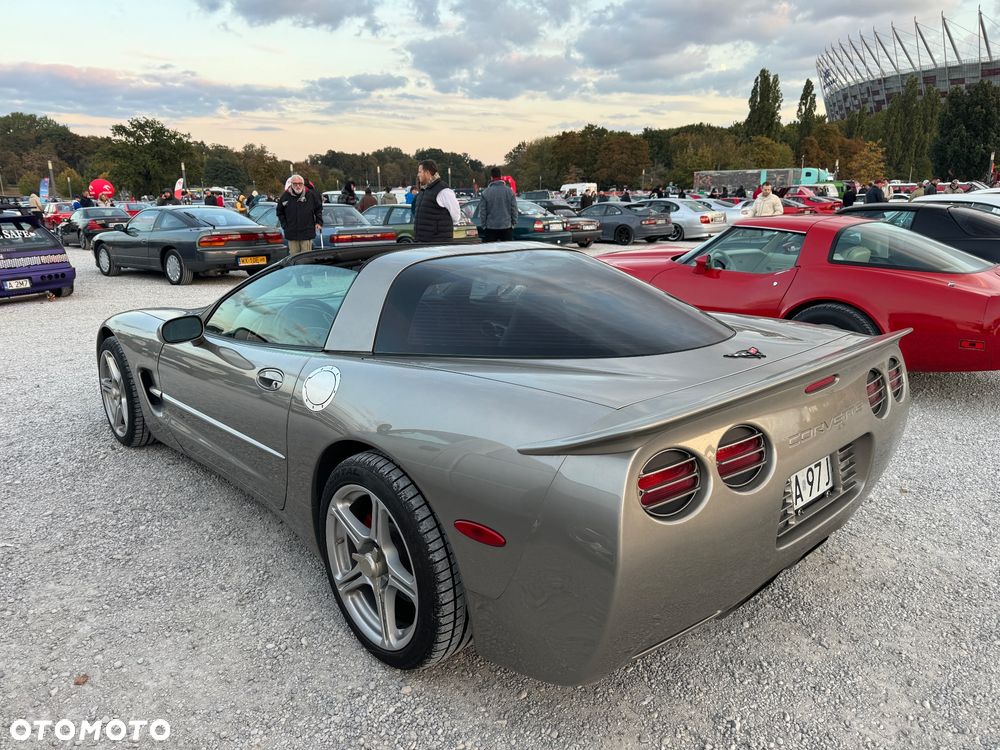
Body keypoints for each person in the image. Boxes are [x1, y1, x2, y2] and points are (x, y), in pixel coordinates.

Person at [413, 159, 460, 243]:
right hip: (422, 243)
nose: (418, 175)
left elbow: (456, 216)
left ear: (427, 173)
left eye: (420, 172)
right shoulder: (424, 190)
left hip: (437, 244)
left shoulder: (443, 191)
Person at [276, 174, 322, 255]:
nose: (298, 186)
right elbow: (279, 212)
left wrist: (319, 222)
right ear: (291, 184)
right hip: (292, 233)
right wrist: (285, 225)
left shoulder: (311, 195)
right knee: (294, 257)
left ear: (303, 184)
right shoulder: (285, 196)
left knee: (306, 257)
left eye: (300, 184)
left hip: (307, 233)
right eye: (295, 184)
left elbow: (318, 209)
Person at [479, 167, 518, 242]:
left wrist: (484, 225)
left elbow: (483, 211)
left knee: (491, 251)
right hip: (506, 226)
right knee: (507, 251)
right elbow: (514, 209)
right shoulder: (510, 192)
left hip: (491, 227)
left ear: (491, 177)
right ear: (501, 176)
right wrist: (513, 223)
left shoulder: (485, 193)